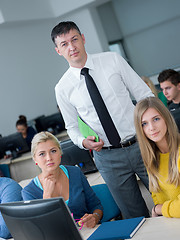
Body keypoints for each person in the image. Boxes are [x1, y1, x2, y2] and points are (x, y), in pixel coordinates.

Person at [51, 21, 154, 219]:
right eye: (64, 44)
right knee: (134, 216)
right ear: (58, 51)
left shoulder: (112, 60)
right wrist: (82, 141)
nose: (71, 47)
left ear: (83, 38)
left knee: (169, 199)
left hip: (141, 144)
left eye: (74, 39)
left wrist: (150, 130)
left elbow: (145, 96)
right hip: (107, 158)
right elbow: (72, 127)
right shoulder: (62, 88)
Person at [22, 131, 103, 228]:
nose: (49, 158)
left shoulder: (75, 173)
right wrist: (47, 196)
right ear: (35, 159)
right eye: (42, 154)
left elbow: (96, 206)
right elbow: (39, 229)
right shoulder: (29, 192)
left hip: (87, 232)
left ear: (60, 152)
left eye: (53, 151)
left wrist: (95, 217)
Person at [134, 96, 180, 218]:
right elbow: (157, 198)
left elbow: (159, 207)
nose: (151, 128)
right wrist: (159, 209)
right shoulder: (152, 158)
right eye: (144, 123)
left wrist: (158, 209)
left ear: (166, 118)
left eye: (156, 119)